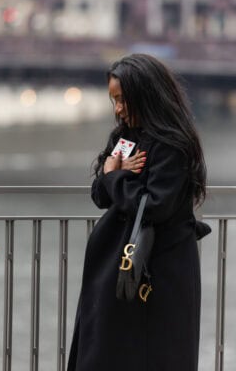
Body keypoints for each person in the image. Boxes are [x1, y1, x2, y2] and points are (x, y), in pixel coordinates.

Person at [67, 53, 211, 371]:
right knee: (109, 350)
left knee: (153, 351)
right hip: (122, 268)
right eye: (113, 100)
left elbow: (155, 205)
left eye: (122, 99)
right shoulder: (125, 137)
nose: (117, 109)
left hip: (155, 270)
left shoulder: (172, 143)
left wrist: (115, 175)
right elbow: (99, 194)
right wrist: (113, 176)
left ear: (144, 94)